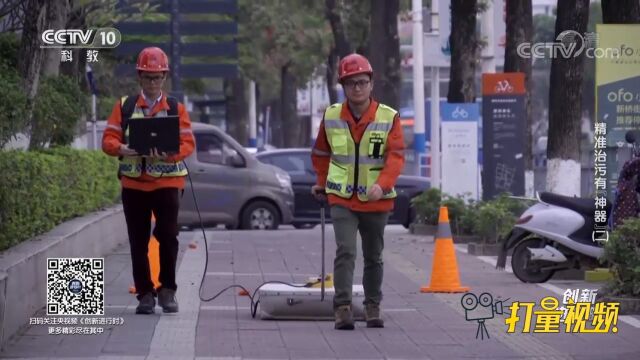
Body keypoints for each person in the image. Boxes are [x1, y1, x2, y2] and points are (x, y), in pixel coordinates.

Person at [311, 53, 405, 330]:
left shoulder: (389, 117)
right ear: (343, 86)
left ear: (371, 83)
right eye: (350, 83)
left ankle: (372, 306)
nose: (357, 88)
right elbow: (320, 153)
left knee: (374, 256)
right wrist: (321, 180)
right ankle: (342, 308)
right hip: (341, 198)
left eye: (362, 82)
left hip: (377, 200)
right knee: (346, 251)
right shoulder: (331, 116)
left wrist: (383, 184)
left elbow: (396, 156)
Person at [102, 47, 195, 314]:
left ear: (164, 77)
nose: (153, 83)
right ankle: (145, 294)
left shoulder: (176, 108)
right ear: (139, 78)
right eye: (148, 77)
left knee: (168, 237)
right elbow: (107, 140)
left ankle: (168, 291)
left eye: (157, 78)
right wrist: (123, 148)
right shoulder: (125, 106)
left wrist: (169, 154)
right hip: (134, 185)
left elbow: (188, 142)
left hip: (167, 184)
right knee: (138, 241)